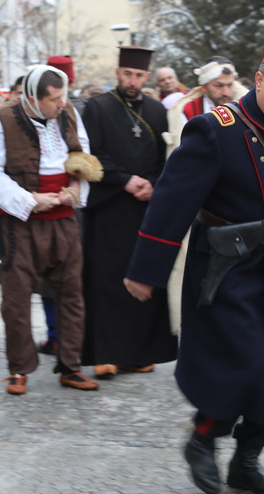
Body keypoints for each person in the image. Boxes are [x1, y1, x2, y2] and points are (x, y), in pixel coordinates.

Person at [123, 35, 264, 494]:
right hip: (233, 269)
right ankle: (201, 441)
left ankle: (247, 463)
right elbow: (173, 200)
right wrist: (146, 270)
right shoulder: (217, 128)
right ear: (259, 81)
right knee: (243, 367)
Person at [0, 64, 103, 395]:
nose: (62, 104)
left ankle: (71, 366)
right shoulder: (1, 120)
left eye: (64, 97)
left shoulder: (69, 113)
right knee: (16, 301)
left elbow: (83, 156)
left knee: (72, 295)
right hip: (21, 226)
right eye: (54, 98)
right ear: (33, 98)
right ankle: (19, 369)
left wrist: (76, 190)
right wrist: (29, 200)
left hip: (63, 221)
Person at [81, 46, 177, 379]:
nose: (132, 81)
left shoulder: (156, 110)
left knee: (143, 277)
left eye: (138, 76)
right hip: (110, 208)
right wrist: (125, 180)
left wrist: (152, 182)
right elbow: (91, 153)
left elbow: (168, 157)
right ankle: (104, 354)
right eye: (127, 74)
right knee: (107, 280)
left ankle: (137, 354)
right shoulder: (97, 107)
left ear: (146, 77)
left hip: (145, 209)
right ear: (118, 73)